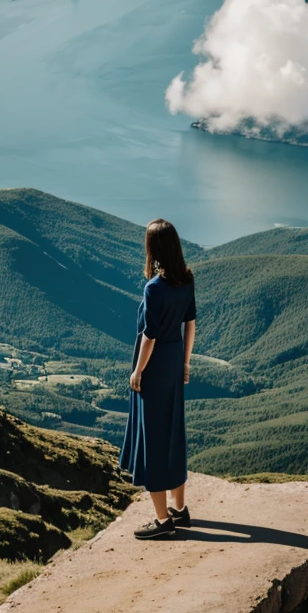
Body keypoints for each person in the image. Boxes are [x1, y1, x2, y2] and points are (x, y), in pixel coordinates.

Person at [119, 218, 196, 540]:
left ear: (153, 250)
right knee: (173, 432)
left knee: (153, 438)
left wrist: (138, 371)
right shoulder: (186, 279)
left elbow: (149, 335)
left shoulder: (154, 288)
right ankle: (180, 509)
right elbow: (190, 322)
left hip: (154, 364)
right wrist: (186, 362)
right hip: (175, 359)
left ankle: (162, 521)